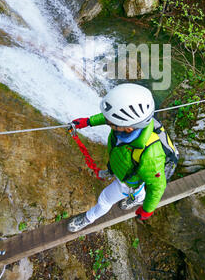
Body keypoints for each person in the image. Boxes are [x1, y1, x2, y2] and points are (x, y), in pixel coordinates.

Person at [67, 83, 177, 233]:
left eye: (112, 124)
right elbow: (110, 118)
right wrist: (88, 121)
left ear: (128, 127)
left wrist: (147, 210)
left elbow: (157, 186)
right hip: (124, 169)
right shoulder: (129, 127)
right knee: (138, 189)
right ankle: (137, 197)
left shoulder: (150, 154)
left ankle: (88, 218)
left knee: (105, 199)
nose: (108, 123)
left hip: (127, 182)